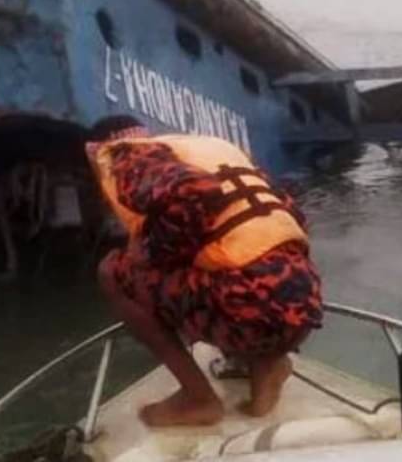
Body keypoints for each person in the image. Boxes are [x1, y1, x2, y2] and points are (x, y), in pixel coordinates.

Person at [85, 115, 322, 427]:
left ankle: (197, 398)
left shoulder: (125, 157)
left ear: (95, 150)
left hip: (246, 315)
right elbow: (293, 216)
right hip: (304, 305)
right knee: (237, 260)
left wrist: (151, 254)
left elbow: (194, 194)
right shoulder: (208, 150)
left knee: (111, 271)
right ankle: (267, 373)